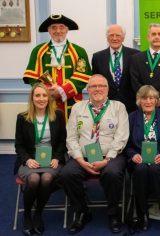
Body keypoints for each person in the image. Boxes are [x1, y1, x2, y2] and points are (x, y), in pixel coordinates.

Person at [59, 74, 129, 234]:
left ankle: (113, 214)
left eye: (101, 86)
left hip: (111, 156)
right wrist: (79, 159)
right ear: (87, 90)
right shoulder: (78, 108)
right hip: (82, 156)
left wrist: (107, 159)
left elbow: (122, 136)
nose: (97, 89)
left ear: (108, 89)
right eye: (93, 86)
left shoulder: (119, 107)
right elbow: (71, 136)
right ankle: (82, 211)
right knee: (66, 174)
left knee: (112, 173)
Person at [14, 83, 67, 236]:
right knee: (34, 179)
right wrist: (28, 160)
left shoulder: (58, 115)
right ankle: (27, 215)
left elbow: (63, 141)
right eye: (37, 95)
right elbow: (19, 145)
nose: (41, 98)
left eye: (44, 95)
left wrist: (57, 158)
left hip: (51, 160)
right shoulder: (22, 118)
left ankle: (38, 213)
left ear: (49, 98)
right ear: (32, 98)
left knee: (47, 178)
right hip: (30, 160)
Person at [125, 85, 160, 232]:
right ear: (139, 101)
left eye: (151, 98)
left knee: (154, 168)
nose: (148, 101)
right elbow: (126, 144)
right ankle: (142, 214)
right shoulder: (131, 118)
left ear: (157, 100)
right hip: (139, 159)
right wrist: (133, 155)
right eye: (144, 98)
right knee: (140, 170)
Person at [23, 14, 91, 120]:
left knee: (72, 132)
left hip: (72, 102)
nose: (58, 31)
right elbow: (32, 77)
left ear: (67, 29)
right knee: (49, 131)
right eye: (53, 28)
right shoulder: (38, 51)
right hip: (45, 101)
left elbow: (82, 77)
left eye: (61, 27)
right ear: (48, 30)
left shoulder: (79, 51)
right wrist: (47, 91)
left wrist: (63, 90)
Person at [130, 23, 160, 112]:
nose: (157, 37)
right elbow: (135, 81)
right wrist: (147, 99)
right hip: (144, 104)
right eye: (153, 34)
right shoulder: (136, 58)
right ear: (148, 37)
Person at [92, 24, 140, 113]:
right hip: (106, 105)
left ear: (123, 38)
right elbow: (95, 82)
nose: (114, 38)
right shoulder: (97, 57)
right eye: (111, 35)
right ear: (107, 38)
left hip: (130, 105)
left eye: (118, 35)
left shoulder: (136, 55)